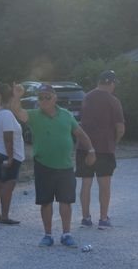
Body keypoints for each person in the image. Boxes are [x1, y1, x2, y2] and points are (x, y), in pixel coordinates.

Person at [12, 83, 97, 248]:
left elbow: (80, 134)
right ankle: (48, 235)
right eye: (41, 97)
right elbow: (17, 111)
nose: (44, 100)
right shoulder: (34, 115)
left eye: (47, 97)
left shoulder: (66, 115)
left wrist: (91, 150)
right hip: (44, 165)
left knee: (66, 201)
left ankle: (66, 234)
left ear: (54, 98)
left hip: (65, 166)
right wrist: (16, 96)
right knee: (46, 202)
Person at [78, 70, 126, 229]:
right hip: (105, 147)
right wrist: (114, 142)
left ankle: (85, 218)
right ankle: (103, 219)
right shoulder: (113, 101)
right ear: (111, 83)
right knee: (104, 184)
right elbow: (120, 128)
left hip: (85, 147)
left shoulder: (86, 97)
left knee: (86, 183)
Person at [0, 83, 25, 225]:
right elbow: (8, 137)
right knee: (8, 184)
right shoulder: (8, 115)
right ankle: (5, 216)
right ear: (10, 98)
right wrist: (10, 157)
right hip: (5, 153)